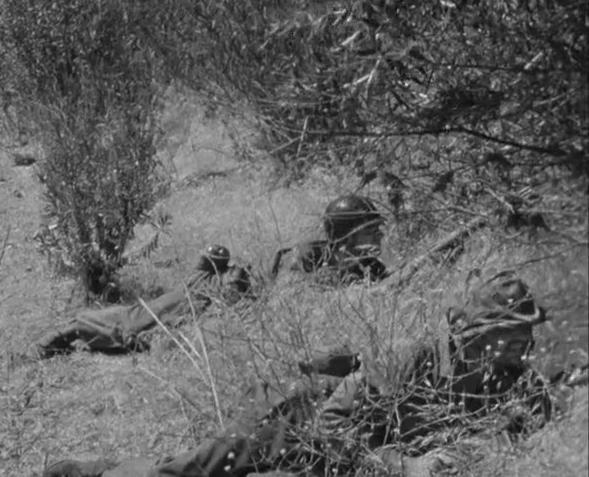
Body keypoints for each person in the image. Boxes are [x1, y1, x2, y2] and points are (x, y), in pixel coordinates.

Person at [42, 270, 568, 477]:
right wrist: (405, 465)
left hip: (337, 457)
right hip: (294, 414)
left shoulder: (500, 374)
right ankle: (94, 473)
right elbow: (331, 425)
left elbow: (537, 399)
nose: (521, 347)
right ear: (473, 331)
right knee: (194, 472)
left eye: (525, 336)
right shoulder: (413, 359)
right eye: (510, 335)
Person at [35, 246, 253, 358]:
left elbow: (227, 294)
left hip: (145, 319)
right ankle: (53, 346)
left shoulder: (211, 295)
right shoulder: (202, 277)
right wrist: (226, 261)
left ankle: (43, 348)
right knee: (98, 319)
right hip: (145, 309)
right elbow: (209, 254)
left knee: (86, 322)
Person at [271, 195, 389, 283]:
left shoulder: (371, 266)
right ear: (346, 237)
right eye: (370, 231)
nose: (380, 235)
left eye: (377, 229)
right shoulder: (304, 257)